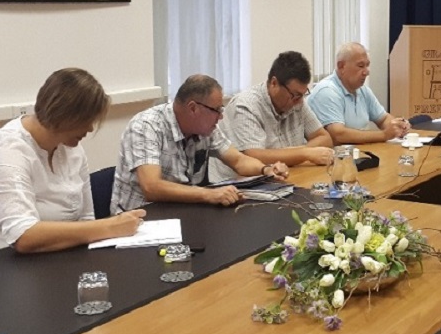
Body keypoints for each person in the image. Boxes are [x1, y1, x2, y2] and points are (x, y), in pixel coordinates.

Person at [0, 69, 146, 256]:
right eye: (86, 120)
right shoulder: (6, 153)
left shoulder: (71, 149)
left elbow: (86, 219)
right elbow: (23, 236)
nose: (89, 129)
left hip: (52, 256)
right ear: (65, 115)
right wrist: (109, 227)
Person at [112, 74, 289, 211]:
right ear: (193, 108)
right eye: (216, 110)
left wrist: (266, 170)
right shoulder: (146, 126)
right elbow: (152, 187)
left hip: (183, 211)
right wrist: (208, 194)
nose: (221, 116)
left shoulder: (206, 129)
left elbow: (238, 160)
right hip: (139, 221)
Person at [209, 52, 334, 183]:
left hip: (287, 176)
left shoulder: (297, 102)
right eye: (295, 95)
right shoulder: (246, 105)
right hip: (239, 184)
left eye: (302, 95)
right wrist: (305, 154)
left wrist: (296, 154)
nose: (299, 101)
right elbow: (254, 156)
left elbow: (324, 138)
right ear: (274, 83)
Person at [308, 43, 410, 145]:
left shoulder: (362, 90)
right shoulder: (327, 91)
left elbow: (383, 119)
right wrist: (384, 135)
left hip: (359, 152)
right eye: (361, 66)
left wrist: (397, 127)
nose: (366, 72)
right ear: (341, 66)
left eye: (367, 65)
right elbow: (338, 135)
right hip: (333, 153)